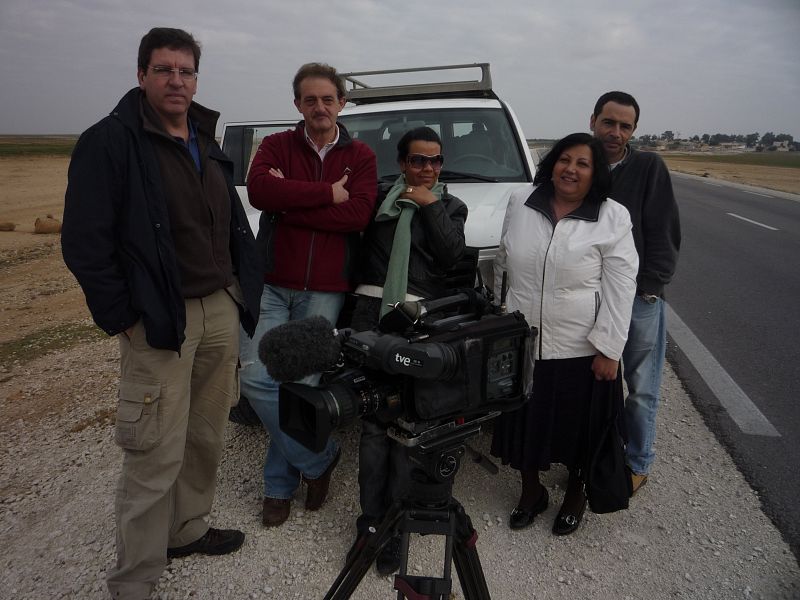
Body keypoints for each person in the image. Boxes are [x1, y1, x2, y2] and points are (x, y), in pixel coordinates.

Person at [61, 27, 262, 600]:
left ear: (196, 79)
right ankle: (135, 579)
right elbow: (84, 242)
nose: (177, 80)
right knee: (152, 449)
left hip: (219, 307)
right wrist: (123, 317)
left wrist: (240, 286)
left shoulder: (204, 135)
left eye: (186, 71)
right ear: (141, 74)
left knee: (205, 434)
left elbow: (229, 220)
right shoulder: (111, 141)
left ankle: (186, 530)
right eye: (164, 69)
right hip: (158, 320)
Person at [241, 62, 378, 528]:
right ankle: (319, 460)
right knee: (256, 378)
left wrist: (289, 201)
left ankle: (278, 487)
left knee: (300, 388)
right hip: (272, 283)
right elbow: (259, 192)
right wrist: (324, 194)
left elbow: (357, 215)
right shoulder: (277, 144)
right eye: (310, 99)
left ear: (342, 103)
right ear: (297, 104)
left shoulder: (360, 155)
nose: (319, 107)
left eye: (327, 99)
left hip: (324, 288)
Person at [490, 133, 638, 536]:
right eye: (564, 159)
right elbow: (503, 263)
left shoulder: (612, 217)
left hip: (581, 347)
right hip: (523, 340)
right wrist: (500, 317)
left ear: (596, 173)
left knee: (580, 430)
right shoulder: (521, 201)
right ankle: (531, 492)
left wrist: (609, 349)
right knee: (524, 422)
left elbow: (621, 287)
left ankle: (576, 494)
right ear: (552, 163)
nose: (571, 169)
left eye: (582, 164)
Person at [349, 126, 467, 574]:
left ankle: (396, 526)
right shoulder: (378, 200)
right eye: (418, 160)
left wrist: (430, 205)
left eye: (435, 160)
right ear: (402, 163)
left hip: (419, 321)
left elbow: (451, 256)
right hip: (371, 315)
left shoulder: (451, 206)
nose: (427, 168)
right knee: (374, 425)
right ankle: (369, 523)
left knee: (407, 425)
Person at [590, 92, 681, 494]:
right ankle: (593, 455)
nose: (615, 132)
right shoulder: (580, 162)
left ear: (633, 130)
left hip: (638, 300)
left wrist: (650, 288)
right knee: (595, 384)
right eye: (609, 122)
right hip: (590, 296)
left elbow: (664, 230)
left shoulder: (648, 167)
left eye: (624, 126)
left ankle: (638, 462)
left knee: (641, 389)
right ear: (593, 120)